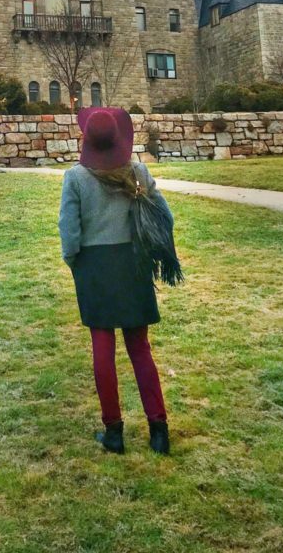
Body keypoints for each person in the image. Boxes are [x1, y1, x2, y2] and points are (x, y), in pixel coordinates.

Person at [58, 106, 174, 455]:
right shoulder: (137, 171)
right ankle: (159, 431)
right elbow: (164, 214)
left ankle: (114, 432)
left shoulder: (76, 178)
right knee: (140, 349)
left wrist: (76, 264)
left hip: (95, 265)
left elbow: (69, 232)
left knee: (103, 350)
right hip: (133, 263)